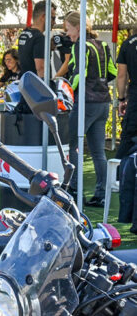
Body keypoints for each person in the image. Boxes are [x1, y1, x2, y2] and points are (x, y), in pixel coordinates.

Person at [65, 11, 117, 207]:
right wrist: (99, 83)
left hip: (85, 103)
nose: (67, 33)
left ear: (77, 27)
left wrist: (67, 89)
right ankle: (101, 194)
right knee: (98, 152)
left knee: (74, 147)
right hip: (103, 101)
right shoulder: (101, 44)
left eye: (68, 29)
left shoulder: (80, 45)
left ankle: (75, 189)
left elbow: (79, 74)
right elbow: (111, 71)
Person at [18, 0, 57, 78]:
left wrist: (47, 48)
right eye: (53, 18)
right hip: (35, 85)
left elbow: (28, 57)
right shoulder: (39, 38)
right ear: (44, 17)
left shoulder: (24, 33)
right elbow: (40, 68)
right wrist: (46, 87)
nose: (54, 22)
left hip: (25, 81)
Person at [116, 29, 137, 160]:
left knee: (127, 139)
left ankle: (117, 175)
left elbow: (122, 75)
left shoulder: (128, 43)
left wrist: (121, 99)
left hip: (135, 99)